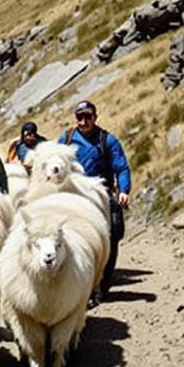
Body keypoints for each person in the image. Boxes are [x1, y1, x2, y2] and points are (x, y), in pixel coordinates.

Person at [60, 99, 132, 297]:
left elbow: (121, 167)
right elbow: (54, 160)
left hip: (102, 192)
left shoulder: (107, 140)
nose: (83, 122)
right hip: (74, 193)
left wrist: (124, 190)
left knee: (112, 232)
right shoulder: (66, 139)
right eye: (79, 117)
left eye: (87, 117)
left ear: (95, 117)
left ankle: (103, 284)